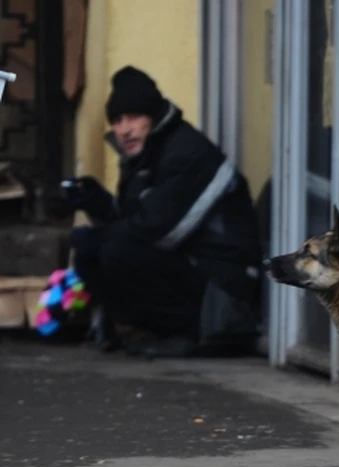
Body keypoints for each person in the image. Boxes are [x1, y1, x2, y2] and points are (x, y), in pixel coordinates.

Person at [65, 66, 263, 358]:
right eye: (117, 120)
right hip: (193, 270)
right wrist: (97, 202)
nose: (124, 129)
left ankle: (188, 332)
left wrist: (101, 235)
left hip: (227, 292)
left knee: (111, 250)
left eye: (134, 118)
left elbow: (161, 231)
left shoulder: (187, 152)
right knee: (91, 249)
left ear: (154, 117)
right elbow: (139, 218)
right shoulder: (148, 153)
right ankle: (146, 329)